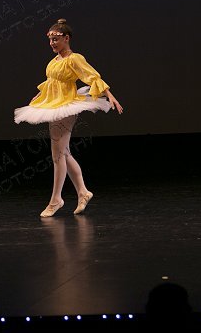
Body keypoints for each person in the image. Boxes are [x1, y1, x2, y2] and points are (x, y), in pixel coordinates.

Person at [14, 19, 123, 217]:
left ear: (66, 38)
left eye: (55, 39)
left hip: (66, 106)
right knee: (63, 152)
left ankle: (56, 200)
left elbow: (92, 76)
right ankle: (83, 192)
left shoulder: (74, 59)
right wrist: (40, 95)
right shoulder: (54, 61)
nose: (52, 43)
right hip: (53, 104)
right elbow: (51, 82)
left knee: (57, 154)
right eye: (50, 40)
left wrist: (110, 95)